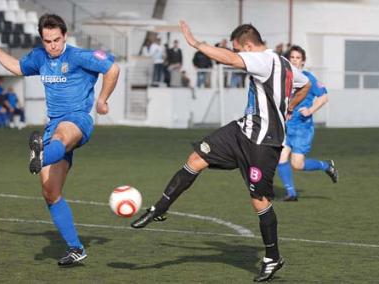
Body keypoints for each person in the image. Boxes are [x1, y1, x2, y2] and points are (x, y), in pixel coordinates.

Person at [131, 22, 311, 282]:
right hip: (242, 130)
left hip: (264, 142)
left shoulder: (261, 59)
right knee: (196, 158)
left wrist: (197, 45)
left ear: (248, 46)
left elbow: (229, 59)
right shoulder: (284, 63)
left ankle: (273, 257)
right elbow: (303, 85)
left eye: (239, 50)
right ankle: (159, 207)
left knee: (259, 200)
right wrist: (288, 107)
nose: (238, 54)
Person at [0, 13, 120, 266]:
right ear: (42, 39)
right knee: (50, 192)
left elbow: (112, 68)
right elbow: (17, 68)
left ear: (64, 36)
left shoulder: (78, 56)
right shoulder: (40, 57)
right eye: (47, 40)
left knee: (62, 135)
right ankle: (76, 248)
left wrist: (102, 100)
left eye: (56, 40)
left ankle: (40, 153)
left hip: (77, 120)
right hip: (52, 125)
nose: (52, 45)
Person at [277, 45, 338, 201]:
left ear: (303, 61)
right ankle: (291, 193)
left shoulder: (308, 78)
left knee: (297, 165)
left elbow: (324, 97)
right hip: (285, 126)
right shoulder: (283, 78)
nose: (295, 61)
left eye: (298, 58)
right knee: (281, 157)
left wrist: (310, 110)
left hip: (302, 129)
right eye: (292, 58)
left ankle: (326, 166)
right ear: (288, 60)